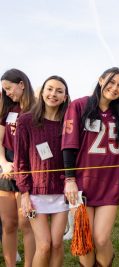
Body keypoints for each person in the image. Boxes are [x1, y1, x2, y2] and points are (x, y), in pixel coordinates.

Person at [62, 67, 119, 267]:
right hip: (82, 183)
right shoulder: (79, 105)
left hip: (110, 183)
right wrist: (70, 179)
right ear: (100, 80)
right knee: (85, 239)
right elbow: (68, 145)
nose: (115, 88)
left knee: (101, 238)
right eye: (111, 82)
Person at [15, 75, 70, 267]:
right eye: (50, 89)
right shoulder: (26, 121)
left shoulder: (69, 124)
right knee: (44, 245)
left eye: (59, 91)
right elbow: (20, 160)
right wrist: (25, 193)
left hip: (61, 193)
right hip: (34, 195)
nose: (53, 94)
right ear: (42, 92)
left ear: (65, 97)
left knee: (56, 244)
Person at [0, 68, 36, 266]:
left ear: (21, 84)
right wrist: (4, 163)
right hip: (6, 169)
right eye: (3, 90)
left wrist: (25, 169)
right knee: (9, 224)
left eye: (8, 88)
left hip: (29, 170)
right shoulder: (7, 109)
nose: (6, 93)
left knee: (26, 223)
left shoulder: (37, 108)